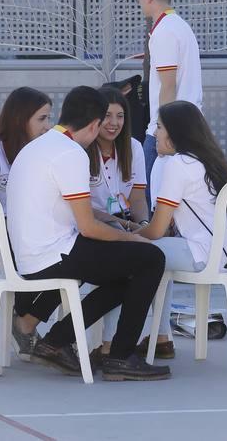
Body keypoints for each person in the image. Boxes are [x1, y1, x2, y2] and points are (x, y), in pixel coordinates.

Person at [6, 85, 170, 381]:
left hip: (32, 253)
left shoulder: (40, 145)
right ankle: (120, 357)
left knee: (126, 275)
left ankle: (56, 341)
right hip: (52, 255)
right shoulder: (71, 153)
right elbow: (88, 227)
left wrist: (121, 230)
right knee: (151, 258)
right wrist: (133, 238)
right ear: (94, 124)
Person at [136, 101, 227, 358]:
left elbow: (157, 230)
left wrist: (129, 234)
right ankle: (161, 339)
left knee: (133, 254)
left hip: (202, 254)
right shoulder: (209, 160)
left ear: (174, 132)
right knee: (157, 260)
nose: (154, 134)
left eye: (159, 127)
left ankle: (112, 343)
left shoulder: (179, 164)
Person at [0, 87, 52, 357]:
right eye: (42, 119)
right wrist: (11, 233)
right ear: (20, 119)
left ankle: (24, 320)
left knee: (71, 260)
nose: (48, 126)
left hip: (25, 235)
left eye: (49, 118)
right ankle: (22, 322)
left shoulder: (40, 153)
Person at [87, 85, 149, 359]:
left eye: (120, 116)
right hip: (93, 227)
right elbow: (84, 210)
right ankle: (107, 343)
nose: (114, 123)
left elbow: (137, 198)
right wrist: (124, 227)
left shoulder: (133, 147)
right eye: (108, 115)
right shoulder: (82, 149)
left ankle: (158, 337)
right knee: (128, 264)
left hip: (125, 224)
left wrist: (144, 224)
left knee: (158, 253)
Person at [136, 0, 202, 200]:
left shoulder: (165, 31)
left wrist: (163, 129)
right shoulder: (178, 26)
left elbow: (167, 85)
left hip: (167, 127)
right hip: (183, 123)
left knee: (147, 193)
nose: (139, 2)